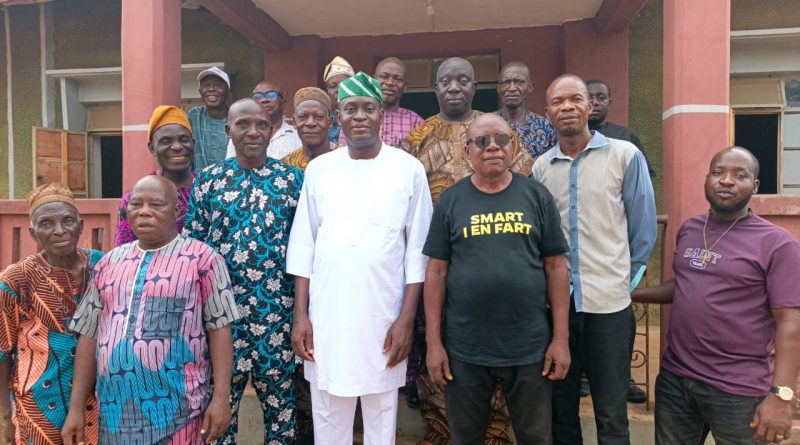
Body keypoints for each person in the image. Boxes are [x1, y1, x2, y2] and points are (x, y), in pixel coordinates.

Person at [287, 72, 432, 444]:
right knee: (329, 418)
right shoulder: (320, 170)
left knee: (381, 418)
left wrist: (406, 319)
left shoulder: (408, 169)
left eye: (369, 108)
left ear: (382, 114)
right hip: (328, 317)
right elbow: (305, 247)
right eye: (351, 108)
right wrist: (301, 316)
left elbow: (418, 252)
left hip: (383, 317)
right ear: (339, 116)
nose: (360, 116)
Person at [401, 57, 532, 445]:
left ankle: (495, 432)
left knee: (495, 349)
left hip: (497, 258)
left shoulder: (495, 131)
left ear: (476, 88)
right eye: (445, 81)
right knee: (437, 346)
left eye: (463, 80)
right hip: (438, 264)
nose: (453, 87)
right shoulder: (417, 138)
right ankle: (441, 428)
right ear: (436, 89)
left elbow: (522, 183)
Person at [633, 147, 800, 444]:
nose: (726, 181)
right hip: (676, 379)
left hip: (738, 388)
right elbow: (686, 284)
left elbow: (790, 321)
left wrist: (781, 396)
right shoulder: (691, 229)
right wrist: (631, 294)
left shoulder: (776, 243)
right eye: (718, 172)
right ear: (707, 178)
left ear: (755, 186)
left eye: (740, 175)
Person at [423, 114, 571, 445]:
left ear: (512, 146)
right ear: (467, 150)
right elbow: (436, 272)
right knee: (466, 437)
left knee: (535, 437)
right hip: (465, 347)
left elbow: (555, 267)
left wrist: (560, 339)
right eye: (482, 141)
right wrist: (434, 344)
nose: (493, 146)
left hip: (529, 345)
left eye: (501, 140)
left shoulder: (536, 196)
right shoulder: (450, 200)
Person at [62, 176, 238, 445]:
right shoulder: (109, 262)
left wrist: (221, 399)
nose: (144, 211)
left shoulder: (204, 259)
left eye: (156, 204)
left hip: (181, 415)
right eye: (136, 205)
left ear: (177, 211)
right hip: (114, 416)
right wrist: (76, 409)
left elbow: (220, 330)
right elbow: (89, 335)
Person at [532, 74, 656, 445]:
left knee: (611, 409)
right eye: (558, 102)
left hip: (609, 304)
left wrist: (625, 283)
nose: (567, 107)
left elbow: (643, 229)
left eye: (575, 99)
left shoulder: (624, 155)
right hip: (557, 307)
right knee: (562, 407)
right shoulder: (541, 169)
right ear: (548, 112)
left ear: (590, 106)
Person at [185, 98, 304, 444]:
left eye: (261, 125)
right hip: (222, 322)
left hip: (277, 318)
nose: (253, 132)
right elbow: (194, 252)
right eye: (243, 125)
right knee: (219, 416)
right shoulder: (208, 181)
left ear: (272, 130)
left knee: (282, 416)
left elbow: (305, 254)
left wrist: (300, 315)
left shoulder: (293, 181)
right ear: (229, 131)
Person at [0, 184, 101, 445]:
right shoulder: (15, 279)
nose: (59, 230)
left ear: (80, 225)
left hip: (96, 403)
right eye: (47, 223)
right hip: (37, 408)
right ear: (34, 233)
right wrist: (5, 416)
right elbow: (2, 351)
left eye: (68, 221)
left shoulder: (102, 266)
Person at [114, 105, 195, 246]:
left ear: (193, 144)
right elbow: (124, 250)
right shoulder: (136, 197)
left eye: (183, 139)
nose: (177, 146)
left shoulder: (209, 190)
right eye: (166, 141)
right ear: (152, 148)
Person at [338, 57, 423, 147]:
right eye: (384, 77)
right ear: (374, 81)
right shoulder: (355, 119)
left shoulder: (416, 122)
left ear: (405, 86)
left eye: (398, 79)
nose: (390, 82)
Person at [587, 79, 655, 178]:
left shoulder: (626, 136)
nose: (595, 103)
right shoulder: (566, 137)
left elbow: (644, 175)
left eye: (601, 98)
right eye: (589, 98)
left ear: (609, 103)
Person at [224, 81, 302, 160]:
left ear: (282, 102)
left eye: (271, 95)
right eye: (257, 97)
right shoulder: (240, 136)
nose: (264, 100)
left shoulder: (298, 136)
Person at [494, 61, 557, 160]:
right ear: (498, 89)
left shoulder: (545, 126)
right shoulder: (485, 125)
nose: (512, 88)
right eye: (505, 82)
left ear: (530, 88)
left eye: (519, 82)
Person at [283, 87, 338, 171]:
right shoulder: (286, 166)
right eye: (303, 117)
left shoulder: (345, 160)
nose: (310, 123)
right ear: (294, 122)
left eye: (319, 117)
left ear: (329, 122)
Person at [189, 66, 231, 171]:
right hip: (197, 183)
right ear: (200, 92)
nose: (211, 89)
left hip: (228, 183)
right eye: (206, 85)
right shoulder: (194, 116)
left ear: (227, 91)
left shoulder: (237, 120)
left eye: (218, 85)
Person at [323, 56, 355, 142]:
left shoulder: (362, 117)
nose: (338, 90)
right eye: (333, 86)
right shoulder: (322, 119)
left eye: (344, 85)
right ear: (327, 91)